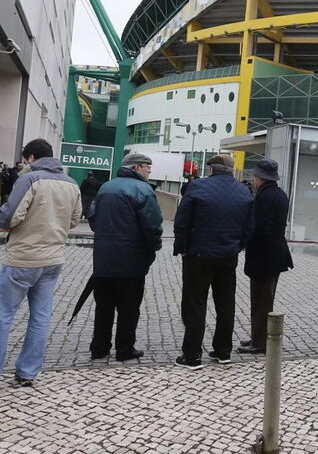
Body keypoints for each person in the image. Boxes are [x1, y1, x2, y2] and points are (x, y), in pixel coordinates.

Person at [0, 139, 82, 386]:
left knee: (3, 314)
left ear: (32, 158)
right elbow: (75, 220)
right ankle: (27, 372)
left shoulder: (29, 179)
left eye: (26, 160)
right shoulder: (71, 183)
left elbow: (11, 216)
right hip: (53, 259)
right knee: (40, 316)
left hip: (23, 258)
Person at [173, 155, 254, 369]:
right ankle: (223, 351)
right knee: (226, 304)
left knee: (195, 305)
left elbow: (182, 220)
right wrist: (238, 246)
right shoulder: (243, 191)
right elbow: (249, 226)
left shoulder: (198, 187)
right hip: (228, 256)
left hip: (198, 255)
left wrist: (181, 247)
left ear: (211, 169)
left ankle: (192, 355)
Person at [87, 153, 163, 361]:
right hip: (132, 260)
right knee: (129, 307)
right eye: (148, 167)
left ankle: (99, 347)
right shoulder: (143, 190)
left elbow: (93, 218)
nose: (149, 171)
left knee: (104, 306)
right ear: (137, 167)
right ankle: (124, 349)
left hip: (103, 259)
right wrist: (152, 249)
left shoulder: (106, 187)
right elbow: (152, 226)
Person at [238, 159, 293, 354]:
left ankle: (260, 342)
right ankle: (257, 336)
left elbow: (260, 228)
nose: (253, 179)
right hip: (273, 254)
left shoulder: (265, 197)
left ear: (261, 178)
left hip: (265, 256)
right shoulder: (279, 194)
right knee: (263, 298)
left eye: (255, 176)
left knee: (262, 301)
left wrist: (245, 240)